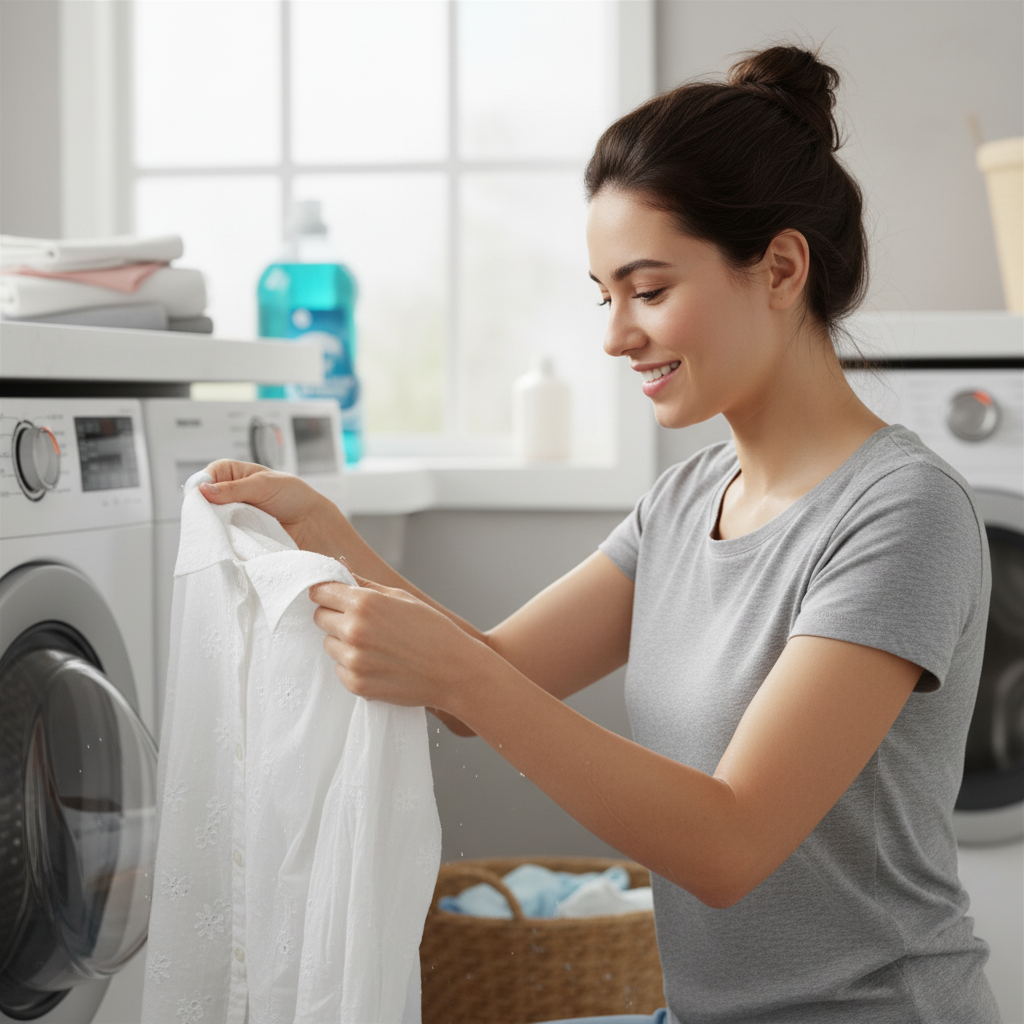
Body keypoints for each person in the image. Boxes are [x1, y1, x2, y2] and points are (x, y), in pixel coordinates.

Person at [200, 44, 1000, 1024]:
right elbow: (486, 677)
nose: (616, 335)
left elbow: (728, 843)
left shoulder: (900, 513)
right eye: (604, 295)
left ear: (781, 267)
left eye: (649, 290)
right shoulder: (681, 501)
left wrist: (460, 675)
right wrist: (327, 538)